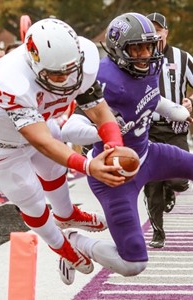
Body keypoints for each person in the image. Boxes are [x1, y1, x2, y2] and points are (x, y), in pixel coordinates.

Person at [0, 18, 127, 274]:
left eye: (70, 70)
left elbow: (100, 111)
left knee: (55, 171)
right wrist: (88, 165)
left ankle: (66, 215)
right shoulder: (11, 79)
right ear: (33, 65)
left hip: (41, 122)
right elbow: (41, 140)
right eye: (56, 74)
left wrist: (115, 144)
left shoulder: (82, 59)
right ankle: (61, 245)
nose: (65, 79)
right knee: (30, 197)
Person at [59, 12, 193, 285]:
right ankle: (77, 243)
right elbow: (69, 129)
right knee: (134, 263)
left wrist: (176, 110)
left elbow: (148, 98)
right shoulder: (104, 80)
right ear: (120, 49)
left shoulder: (151, 66)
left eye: (149, 45)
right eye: (137, 47)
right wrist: (106, 130)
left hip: (149, 154)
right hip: (115, 175)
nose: (145, 54)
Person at [143, 12, 193, 248]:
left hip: (175, 129)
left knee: (179, 180)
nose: (153, 34)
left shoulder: (183, 58)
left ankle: (171, 190)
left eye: (157, 30)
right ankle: (158, 233)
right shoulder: (136, 58)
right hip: (148, 129)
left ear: (166, 32)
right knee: (152, 184)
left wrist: (190, 102)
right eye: (149, 29)